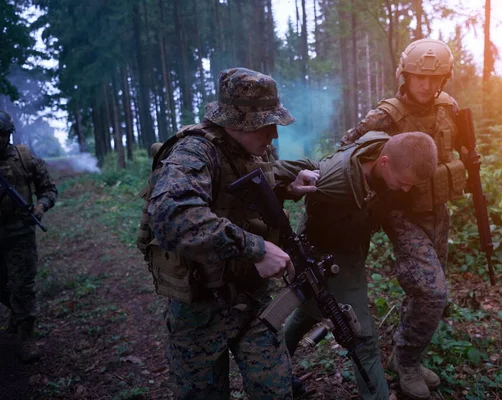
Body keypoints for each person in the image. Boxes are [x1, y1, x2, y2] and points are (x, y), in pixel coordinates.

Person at [143, 67, 319, 400]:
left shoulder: (255, 150)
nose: (274, 135)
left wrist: (287, 187)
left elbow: (241, 196)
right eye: (267, 125)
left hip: (252, 299)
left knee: (277, 392)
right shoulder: (193, 152)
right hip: (201, 308)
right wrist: (256, 248)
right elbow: (172, 217)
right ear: (238, 123)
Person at [340, 38, 468, 400]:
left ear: (445, 78)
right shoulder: (386, 115)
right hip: (401, 213)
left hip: (438, 210)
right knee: (432, 289)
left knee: (428, 293)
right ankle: (407, 364)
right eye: (418, 77)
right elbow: (347, 151)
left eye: (435, 77)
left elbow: (455, 146)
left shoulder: (449, 107)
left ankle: (407, 354)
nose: (426, 85)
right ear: (404, 75)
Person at [275, 130, 439, 400]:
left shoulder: (382, 148)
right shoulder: (333, 178)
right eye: (403, 182)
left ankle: (273, 365)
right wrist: (288, 190)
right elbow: (276, 173)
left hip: (350, 249)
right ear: (384, 162)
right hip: (321, 254)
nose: (406, 189)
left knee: (307, 312)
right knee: (361, 336)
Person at [0, 109, 57, 362]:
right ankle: (15, 312)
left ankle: (27, 337)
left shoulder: (24, 158)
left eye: (1, 135)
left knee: (23, 286)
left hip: (20, 234)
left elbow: (48, 188)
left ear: (8, 135)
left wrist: (41, 205)